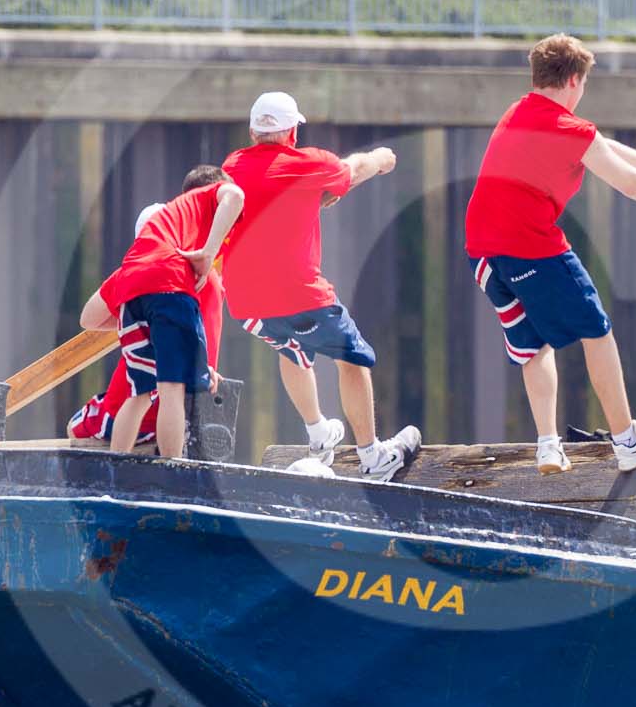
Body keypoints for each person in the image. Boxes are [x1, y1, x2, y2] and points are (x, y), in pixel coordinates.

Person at [463, 33, 636, 475]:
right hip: (530, 248)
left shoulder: (519, 111)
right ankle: (628, 439)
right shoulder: (567, 129)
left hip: (482, 252)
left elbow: (599, 146)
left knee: (532, 344)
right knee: (597, 330)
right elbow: (628, 184)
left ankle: (547, 445)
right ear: (575, 80)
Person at [221, 91, 422, 482]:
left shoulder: (233, 165)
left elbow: (272, 194)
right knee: (353, 359)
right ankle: (373, 457)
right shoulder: (308, 163)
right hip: (300, 296)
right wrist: (381, 159)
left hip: (244, 303)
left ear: (252, 131)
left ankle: (318, 432)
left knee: (290, 348)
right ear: (292, 131)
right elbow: (353, 170)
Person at [78, 167, 245, 458]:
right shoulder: (201, 212)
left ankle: (116, 468)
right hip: (170, 288)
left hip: (134, 295)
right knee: (172, 390)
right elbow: (236, 195)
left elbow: (88, 319)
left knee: (138, 393)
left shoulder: (135, 260)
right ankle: (172, 469)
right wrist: (208, 250)